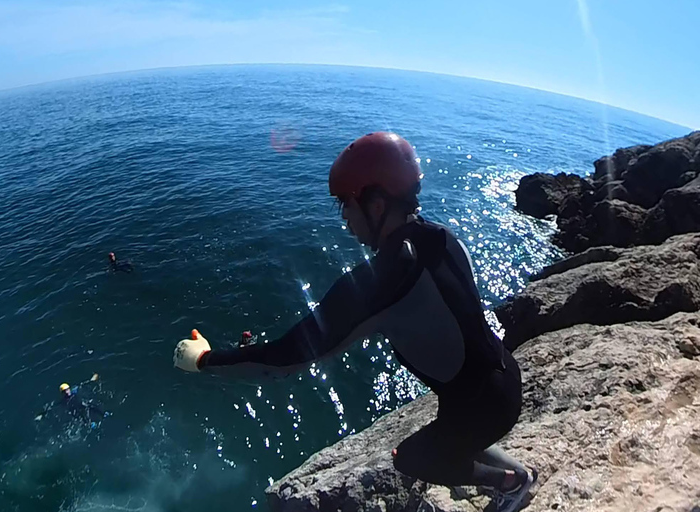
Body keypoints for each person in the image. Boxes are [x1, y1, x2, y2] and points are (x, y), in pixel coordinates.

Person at [173, 132, 536, 511]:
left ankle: (510, 482)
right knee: (455, 425)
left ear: (376, 204)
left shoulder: (385, 280)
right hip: (503, 376)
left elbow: (286, 358)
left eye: (345, 204)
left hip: (483, 408)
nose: (343, 216)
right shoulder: (444, 237)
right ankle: (511, 471)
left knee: (411, 457)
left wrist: (205, 360)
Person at [37, 373, 110, 427]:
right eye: (64, 391)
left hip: (81, 403)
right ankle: (90, 425)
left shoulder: (74, 391)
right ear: (62, 393)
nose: (66, 391)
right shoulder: (63, 400)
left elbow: (83, 384)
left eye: (67, 390)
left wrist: (92, 379)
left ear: (69, 389)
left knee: (91, 406)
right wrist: (42, 414)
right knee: (81, 417)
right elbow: (52, 407)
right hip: (74, 409)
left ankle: (103, 414)